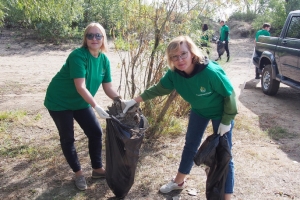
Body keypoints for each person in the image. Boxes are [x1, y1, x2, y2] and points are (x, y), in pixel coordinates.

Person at [122, 36, 238, 200]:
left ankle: (227, 197)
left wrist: (227, 121)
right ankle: (179, 181)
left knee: (224, 153)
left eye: (183, 54)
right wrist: (134, 101)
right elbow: (159, 89)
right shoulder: (175, 74)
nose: (180, 60)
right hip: (199, 110)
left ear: (192, 52)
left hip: (222, 112)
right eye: (174, 57)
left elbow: (230, 94)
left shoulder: (210, 72)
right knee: (190, 145)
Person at [44, 22, 120, 191]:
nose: (94, 38)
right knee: (68, 137)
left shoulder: (104, 59)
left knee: (95, 132)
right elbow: (80, 86)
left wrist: (120, 100)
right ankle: (78, 174)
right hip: (59, 101)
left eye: (98, 35)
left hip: (80, 101)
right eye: (90, 35)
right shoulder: (78, 56)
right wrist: (96, 106)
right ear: (85, 39)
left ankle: (97, 169)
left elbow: (108, 87)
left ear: (103, 39)